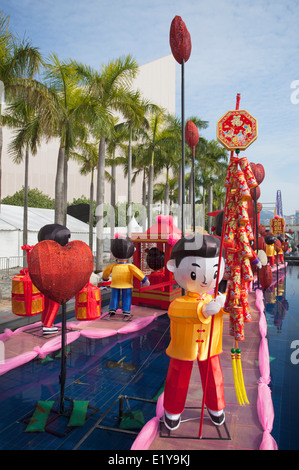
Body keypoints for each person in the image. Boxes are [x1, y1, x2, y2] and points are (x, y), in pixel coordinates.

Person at [163, 234, 226, 431]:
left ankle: (216, 407)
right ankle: (172, 410)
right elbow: (179, 312)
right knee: (178, 376)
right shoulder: (178, 302)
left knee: (214, 376)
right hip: (185, 347)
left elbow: (224, 312)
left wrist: (225, 303)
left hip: (209, 346)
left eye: (215, 273)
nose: (207, 279)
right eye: (194, 273)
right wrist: (206, 310)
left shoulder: (214, 298)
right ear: (173, 266)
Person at [102, 237, 150, 319]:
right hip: (126, 284)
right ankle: (126, 309)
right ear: (131, 252)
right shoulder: (130, 266)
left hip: (115, 284)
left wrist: (105, 278)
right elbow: (138, 273)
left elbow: (106, 272)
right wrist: (144, 280)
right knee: (126, 296)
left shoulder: (112, 266)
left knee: (114, 296)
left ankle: (112, 308)